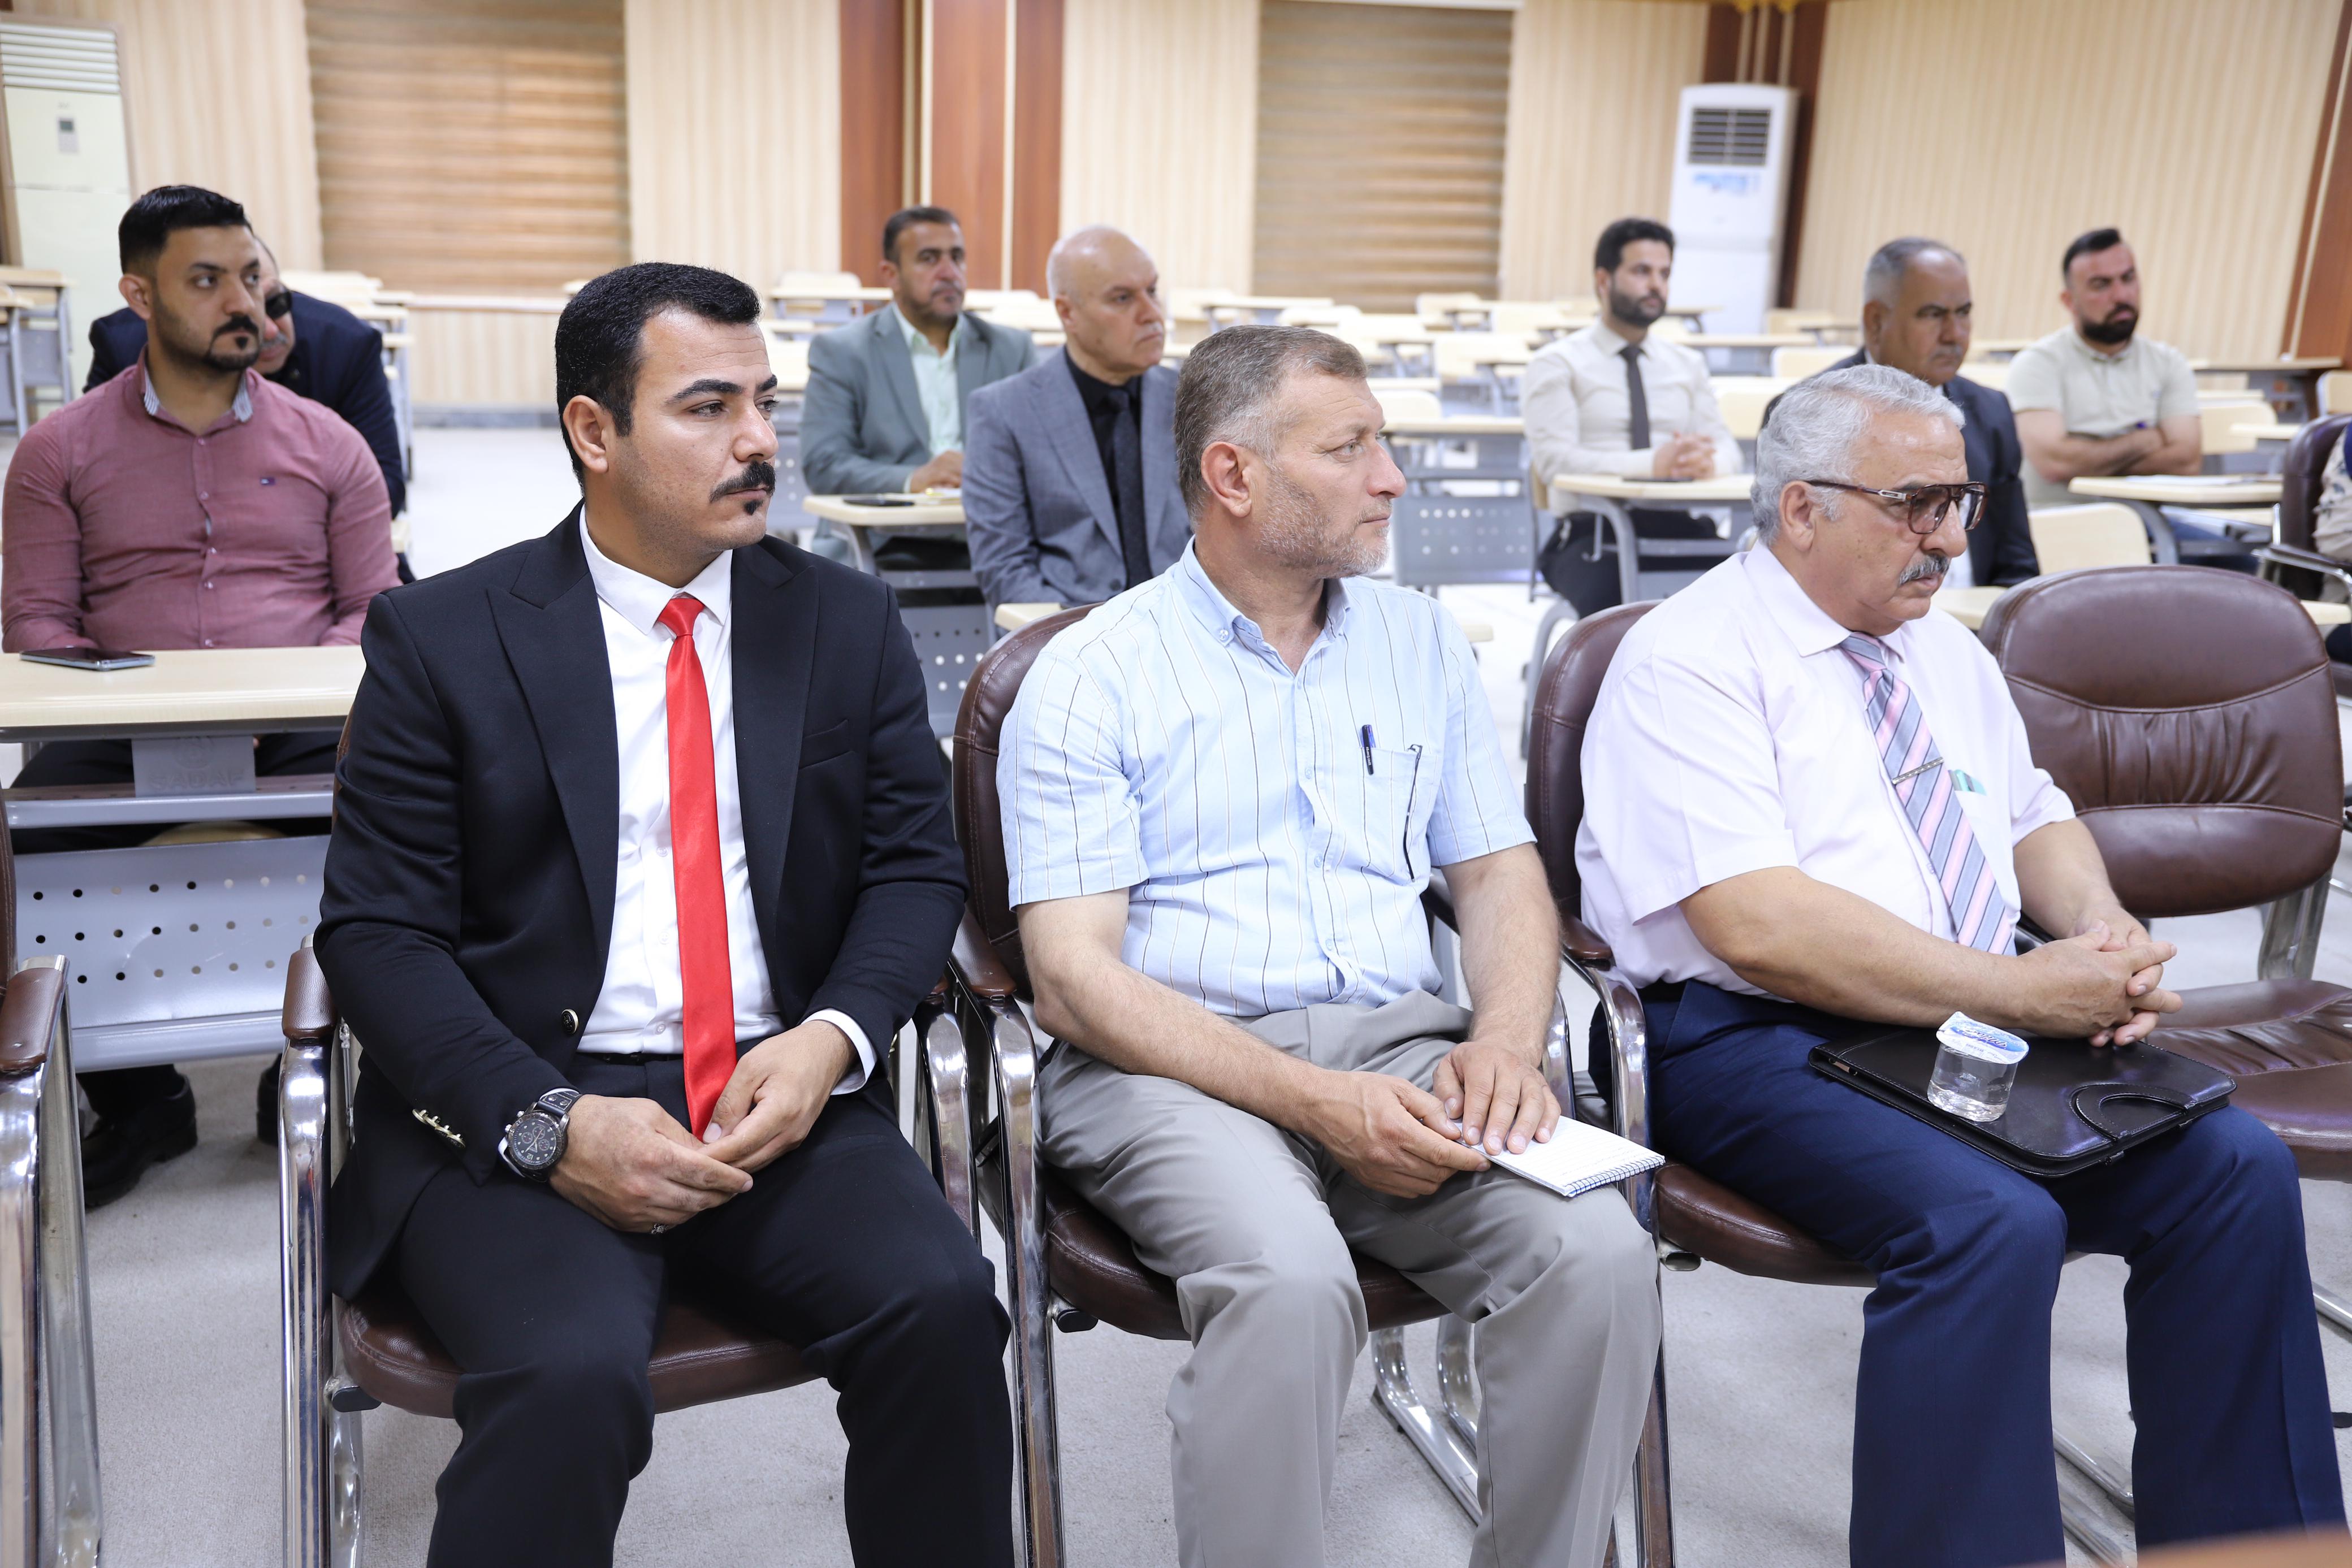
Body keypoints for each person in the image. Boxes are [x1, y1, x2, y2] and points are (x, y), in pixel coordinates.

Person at [1577, 363, 2342, 1567]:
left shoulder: (1939, 649)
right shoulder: (1691, 658)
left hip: (1957, 1018)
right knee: (1988, 1221)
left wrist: (2097, 928)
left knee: (2235, 1169)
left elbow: (2033, 816)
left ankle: (2248, 1548)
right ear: (1801, 509)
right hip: (1743, 1038)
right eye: (1916, 504)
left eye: (1960, 501)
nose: (1947, 537)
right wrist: (2021, 992)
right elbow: (1756, 923)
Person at [314, 262, 1013, 1568]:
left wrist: (832, 1041)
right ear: (594, 431)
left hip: (772, 1085)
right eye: (707, 407)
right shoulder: (443, 637)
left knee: (942, 1306)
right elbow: (377, 936)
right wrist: (545, 1119)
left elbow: (916, 869)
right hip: (526, 1093)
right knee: (568, 1374)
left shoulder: (843, 619)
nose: (759, 442)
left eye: (764, 402)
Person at [1005, 325, 1661, 1568]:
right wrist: (1314, 1101)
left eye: (1384, 443)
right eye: (1350, 447)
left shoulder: (1420, 640)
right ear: (1234, 474)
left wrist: (1505, 1043)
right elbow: (1074, 979)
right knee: (1292, 1286)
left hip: (1402, 1051)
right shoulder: (1094, 672)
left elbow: (1496, 871)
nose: (1392, 478)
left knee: (1598, 1255)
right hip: (1170, 1065)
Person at [1, 184, 398, 1207]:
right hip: (120, 726)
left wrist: (281, 693)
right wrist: (133, 707)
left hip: (298, 726)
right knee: (18, 858)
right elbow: (37, 623)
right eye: (208, 281)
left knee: (416, 831)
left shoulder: (330, 444)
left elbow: (372, 609)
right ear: (139, 295)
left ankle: (308, 1056)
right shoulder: (58, 450)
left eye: (251, 278)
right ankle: (140, 1099)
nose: (243, 303)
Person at [85, 237, 407, 518]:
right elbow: (92, 483)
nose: (271, 330)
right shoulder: (125, 348)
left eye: (276, 302)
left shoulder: (345, 345)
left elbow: (385, 488)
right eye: (242, 319)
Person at [962, 225, 1191, 613]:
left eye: (1152, 291)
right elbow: (1004, 569)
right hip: (1070, 632)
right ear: (1068, 313)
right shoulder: (1005, 411)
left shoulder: (1191, 399)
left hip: (1189, 630)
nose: (1152, 314)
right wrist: (1090, 638)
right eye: (1122, 298)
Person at [1523, 216, 1742, 615]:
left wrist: (1709, 463)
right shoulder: (1557, 363)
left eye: (1664, 274)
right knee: (1617, 606)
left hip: (1677, 527)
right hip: (1590, 535)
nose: (1656, 285)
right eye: (1642, 271)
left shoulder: (1687, 364)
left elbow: (1729, 450)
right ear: (1603, 280)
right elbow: (1555, 462)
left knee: (1747, 586)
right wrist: (1652, 465)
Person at [1820, 237, 2037, 586]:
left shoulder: (1992, 412)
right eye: (1933, 315)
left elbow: (2016, 565)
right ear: (1876, 321)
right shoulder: (1814, 413)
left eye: (1963, 313)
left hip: (1972, 617)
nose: (1955, 334)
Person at [800, 205, 1035, 496]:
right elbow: (824, 466)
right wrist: (914, 479)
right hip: (889, 521)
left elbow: (1039, 454)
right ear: (891, 275)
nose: (950, 273)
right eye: (929, 259)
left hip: (986, 518)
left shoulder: (1011, 350)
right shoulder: (842, 352)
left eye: (957, 257)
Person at [2007, 228, 2200, 508]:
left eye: (2128, 278)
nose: (2121, 295)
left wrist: (2087, 458)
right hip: (2062, 521)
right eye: (2101, 285)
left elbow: (2186, 461)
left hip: (2155, 521)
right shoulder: (2037, 364)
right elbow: (2056, 464)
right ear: (2069, 301)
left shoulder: (2169, 363)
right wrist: (2146, 441)